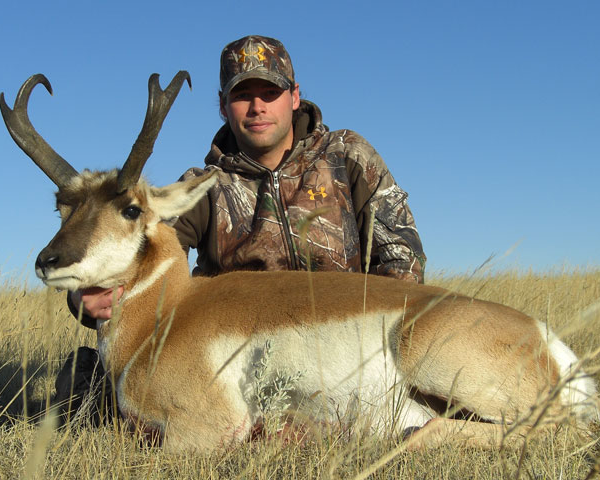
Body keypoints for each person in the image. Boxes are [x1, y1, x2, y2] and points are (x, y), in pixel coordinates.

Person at [58, 35, 426, 421]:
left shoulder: (347, 155)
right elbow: (134, 260)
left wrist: (378, 350)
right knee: (113, 393)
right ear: (222, 105)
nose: (257, 106)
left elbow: (403, 254)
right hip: (239, 360)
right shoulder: (202, 187)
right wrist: (82, 300)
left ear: (295, 95)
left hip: (343, 344)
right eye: (242, 95)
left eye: (270, 91)